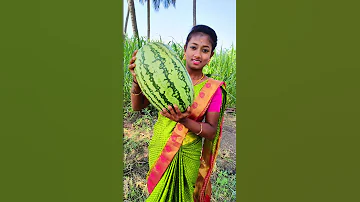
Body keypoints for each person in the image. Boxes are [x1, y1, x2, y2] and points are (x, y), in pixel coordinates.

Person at [128, 25, 227, 202]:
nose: (197, 54)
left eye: (205, 50)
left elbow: (212, 131)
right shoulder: (165, 74)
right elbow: (138, 107)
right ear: (185, 49)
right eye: (193, 47)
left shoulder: (214, 89)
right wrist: (137, 82)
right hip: (161, 145)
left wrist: (184, 121)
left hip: (188, 152)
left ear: (211, 56)